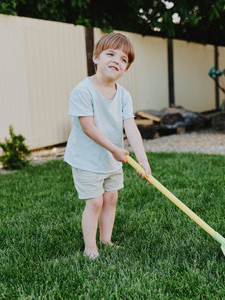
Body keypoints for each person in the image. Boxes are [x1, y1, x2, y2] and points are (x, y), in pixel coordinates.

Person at [64, 33, 151, 259]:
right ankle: (90, 247)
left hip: (111, 158)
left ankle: (106, 240)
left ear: (126, 69)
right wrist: (114, 149)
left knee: (111, 199)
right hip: (87, 159)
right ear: (96, 58)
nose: (116, 60)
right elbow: (88, 127)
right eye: (110, 54)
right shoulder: (83, 91)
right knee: (95, 201)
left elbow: (131, 127)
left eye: (123, 59)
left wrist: (143, 160)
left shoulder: (123, 95)